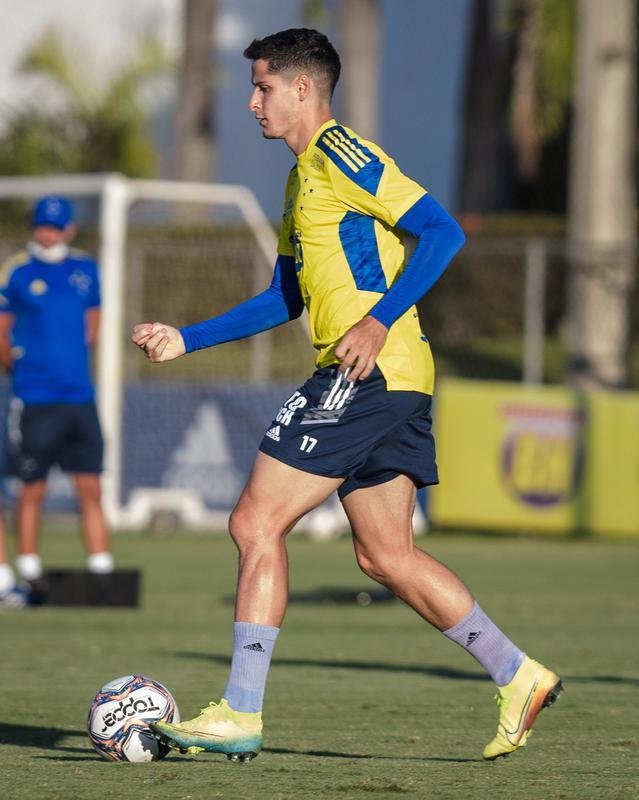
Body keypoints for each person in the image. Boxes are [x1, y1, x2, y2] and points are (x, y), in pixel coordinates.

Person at [133, 28, 562, 763]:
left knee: (253, 523)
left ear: (303, 89)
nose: (252, 102)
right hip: (388, 375)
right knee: (385, 556)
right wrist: (188, 337)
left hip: (366, 370)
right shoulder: (302, 179)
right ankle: (517, 673)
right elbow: (286, 296)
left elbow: (441, 230)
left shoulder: (342, 155)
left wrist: (376, 317)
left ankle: (239, 710)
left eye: (263, 87)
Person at [0, 195, 114, 587]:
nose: (47, 234)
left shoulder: (86, 269)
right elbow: (2, 330)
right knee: (33, 487)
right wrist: (24, 369)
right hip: (36, 398)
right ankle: (28, 567)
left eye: (54, 227)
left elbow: (92, 326)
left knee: (91, 484)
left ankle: (101, 570)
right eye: (41, 226)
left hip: (79, 396)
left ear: (69, 229)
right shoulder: (16, 272)